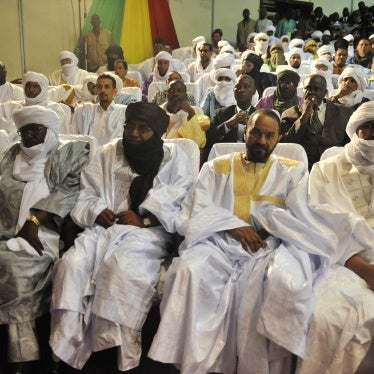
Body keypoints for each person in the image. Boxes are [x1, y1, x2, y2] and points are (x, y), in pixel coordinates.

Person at [148, 108, 337, 374]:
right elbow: (195, 210)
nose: (261, 140)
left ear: (278, 138)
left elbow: (301, 217)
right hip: (219, 242)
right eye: (256, 132)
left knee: (281, 284)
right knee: (187, 270)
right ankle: (196, 361)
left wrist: (272, 228)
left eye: (269, 135)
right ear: (245, 132)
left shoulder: (293, 172)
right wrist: (233, 226)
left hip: (271, 248)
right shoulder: (217, 167)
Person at [49, 101, 195, 372]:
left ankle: (116, 349)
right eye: (130, 126)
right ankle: (70, 345)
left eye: (143, 129)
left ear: (158, 133)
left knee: (119, 266)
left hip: (149, 234)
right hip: (102, 229)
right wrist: (97, 210)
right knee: (71, 265)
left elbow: (183, 201)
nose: (134, 134)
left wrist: (144, 219)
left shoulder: (174, 158)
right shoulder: (108, 152)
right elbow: (87, 191)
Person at [0, 105, 90, 373]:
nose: (27, 136)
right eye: (23, 130)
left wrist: (33, 221)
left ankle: (23, 355)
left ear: (49, 130)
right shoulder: (12, 155)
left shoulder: (67, 154)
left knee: (14, 269)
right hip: (6, 229)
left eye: (34, 129)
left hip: (45, 234)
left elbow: (67, 193)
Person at [298, 101, 374, 373]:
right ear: (354, 130)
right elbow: (318, 229)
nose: (373, 134)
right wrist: (364, 269)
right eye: (367, 127)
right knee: (326, 316)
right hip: (341, 262)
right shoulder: (325, 169)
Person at [281, 74, 353, 170]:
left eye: (317, 89)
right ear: (302, 91)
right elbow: (287, 145)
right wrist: (304, 116)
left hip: (335, 166)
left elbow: (351, 144)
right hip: (302, 167)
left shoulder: (344, 112)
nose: (312, 92)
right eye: (308, 88)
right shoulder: (289, 114)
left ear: (325, 93)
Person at [0, 71, 71, 139]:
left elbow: (54, 135)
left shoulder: (54, 109)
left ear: (43, 89)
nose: (31, 90)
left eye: (35, 86)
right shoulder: (12, 107)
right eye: (28, 86)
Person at [204, 74, 256, 158]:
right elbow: (208, 140)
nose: (241, 90)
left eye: (246, 87)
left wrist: (252, 126)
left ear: (254, 91)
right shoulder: (220, 113)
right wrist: (227, 125)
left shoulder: (260, 115)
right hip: (226, 158)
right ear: (233, 90)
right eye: (237, 87)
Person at [70, 73, 126, 142]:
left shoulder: (123, 112)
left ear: (115, 91)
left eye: (107, 87)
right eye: (99, 87)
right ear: (96, 90)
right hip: (89, 151)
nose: (102, 90)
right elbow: (73, 137)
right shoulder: (84, 110)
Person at [161, 80, 209, 148]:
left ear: (185, 96)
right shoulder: (157, 112)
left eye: (179, 91)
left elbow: (199, 143)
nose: (175, 93)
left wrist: (191, 113)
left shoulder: (196, 111)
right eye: (171, 91)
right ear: (165, 94)